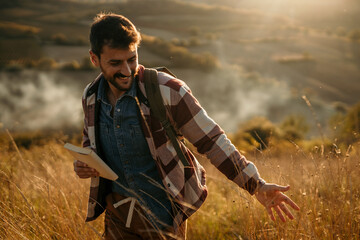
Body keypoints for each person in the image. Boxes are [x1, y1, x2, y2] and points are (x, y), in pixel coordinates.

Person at [73, 13, 300, 240]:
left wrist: (256, 185)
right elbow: (91, 145)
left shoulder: (166, 91)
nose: (126, 70)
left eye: (132, 59)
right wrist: (85, 163)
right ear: (94, 59)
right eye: (115, 63)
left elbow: (212, 141)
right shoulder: (91, 96)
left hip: (164, 218)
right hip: (117, 216)